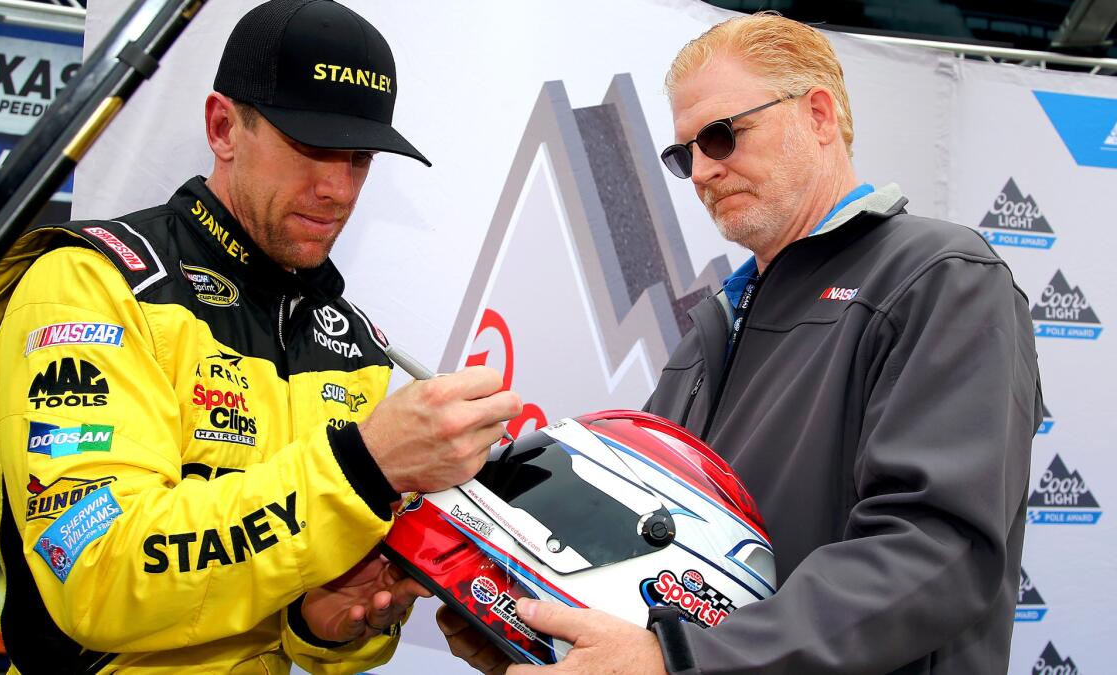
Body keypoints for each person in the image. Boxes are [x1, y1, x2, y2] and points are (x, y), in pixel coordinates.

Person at [437, 12, 1041, 675]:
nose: (700, 171)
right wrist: (541, 633)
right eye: (683, 153)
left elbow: (936, 552)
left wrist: (683, 660)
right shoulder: (715, 322)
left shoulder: (938, 277)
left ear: (818, 116)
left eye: (722, 136)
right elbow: (647, 547)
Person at [0, 1, 520, 673]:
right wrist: (360, 467)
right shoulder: (90, 285)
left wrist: (326, 626)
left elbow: (300, 620)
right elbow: (98, 574)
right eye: (312, 148)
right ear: (224, 126)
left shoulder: (350, 339)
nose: (338, 188)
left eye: (360, 158)